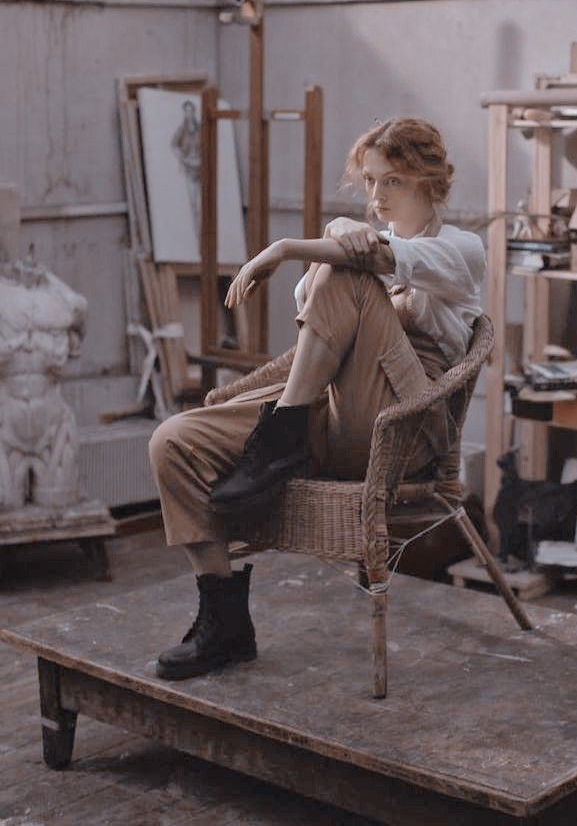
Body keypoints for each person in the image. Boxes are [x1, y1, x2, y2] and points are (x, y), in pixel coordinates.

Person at [149, 117, 486, 680]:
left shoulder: (462, 248)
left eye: (393, 182)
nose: (377, 197)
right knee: (174, 442)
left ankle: (280, 435)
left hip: (405, 423)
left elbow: (379, 259)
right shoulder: (354, 237)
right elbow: (314, 304)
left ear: (429, 180)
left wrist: (285, 246)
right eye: (371, 182)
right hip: (325, 403)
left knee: (348, 272)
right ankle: (224, 621)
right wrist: (336, 232)